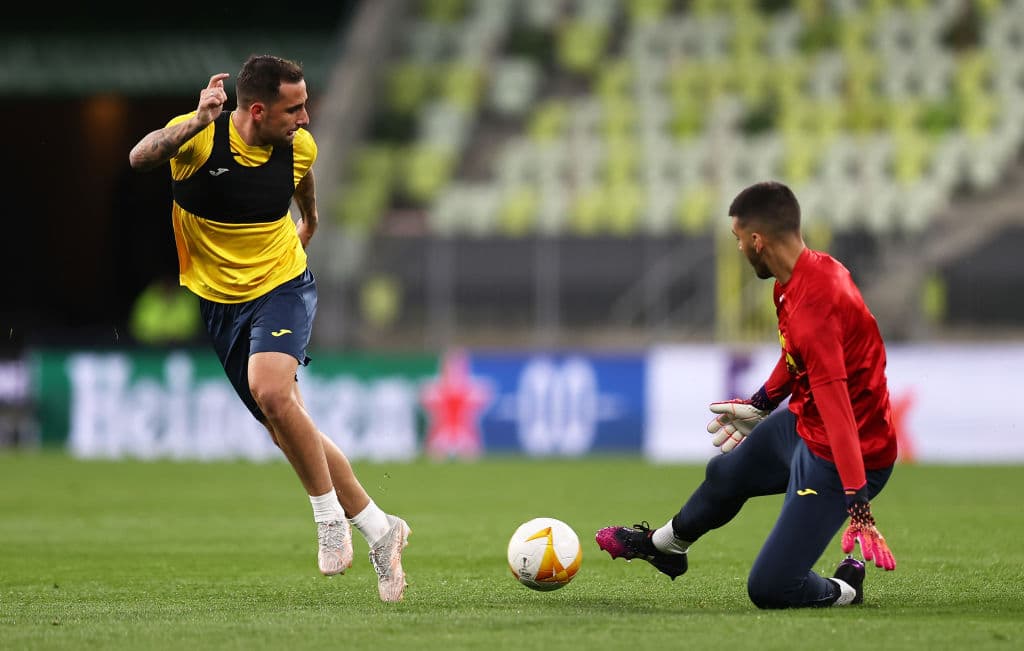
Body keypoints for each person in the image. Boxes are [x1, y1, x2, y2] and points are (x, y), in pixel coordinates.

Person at [128, 54, 410, 602]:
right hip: (219, 301)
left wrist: (311, 218)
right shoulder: (199, 141)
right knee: (284, 421)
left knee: (271, 391)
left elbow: (301, 181)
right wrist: (197, 117)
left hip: (282, 284)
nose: (305, 118)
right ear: (257, 110)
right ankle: (381, 529)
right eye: (294, 108)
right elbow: (140, 156)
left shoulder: (299, 147)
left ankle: (329, 520)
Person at [597, 181, 897, 608]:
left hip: (845, 456)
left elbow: (840, 412)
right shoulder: (796, 279)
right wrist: (762, 402)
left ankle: (847, 586)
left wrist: (858, 502)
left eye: (738, 240)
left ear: (758, 240)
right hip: (804, 426)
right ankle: (664, 547)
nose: (738, 249)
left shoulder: (818, 302)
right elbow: (796, 357)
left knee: (771, 589)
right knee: (725, 474)